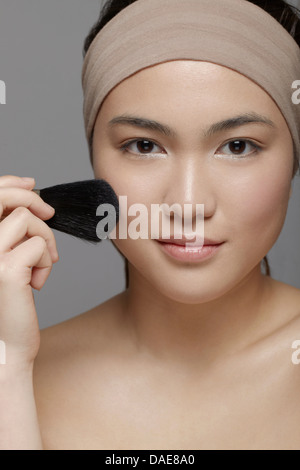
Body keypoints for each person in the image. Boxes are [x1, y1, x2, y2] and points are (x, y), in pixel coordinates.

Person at [0, 0, 300, 450]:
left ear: (294, 157)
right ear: (94, 159)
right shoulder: (21, 370)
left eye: (238, 146)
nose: (188, 203)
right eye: (144, 145)